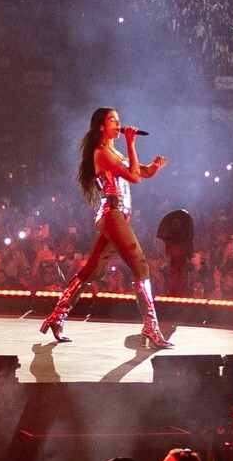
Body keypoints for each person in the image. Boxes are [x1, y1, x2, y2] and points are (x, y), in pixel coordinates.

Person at [41, 108, 168, 346]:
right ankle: (151, 326)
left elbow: (143, 172)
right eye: (113, 120)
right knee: (140, 265)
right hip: (112, 214)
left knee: (93, 270)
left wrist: (155, 166)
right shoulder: (101, 153)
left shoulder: (114, 153)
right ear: (102, 126)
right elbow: (134, 177)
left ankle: (57, 316)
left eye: (119, 120)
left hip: (118, 216)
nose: (119, 124)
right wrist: (131, 143)